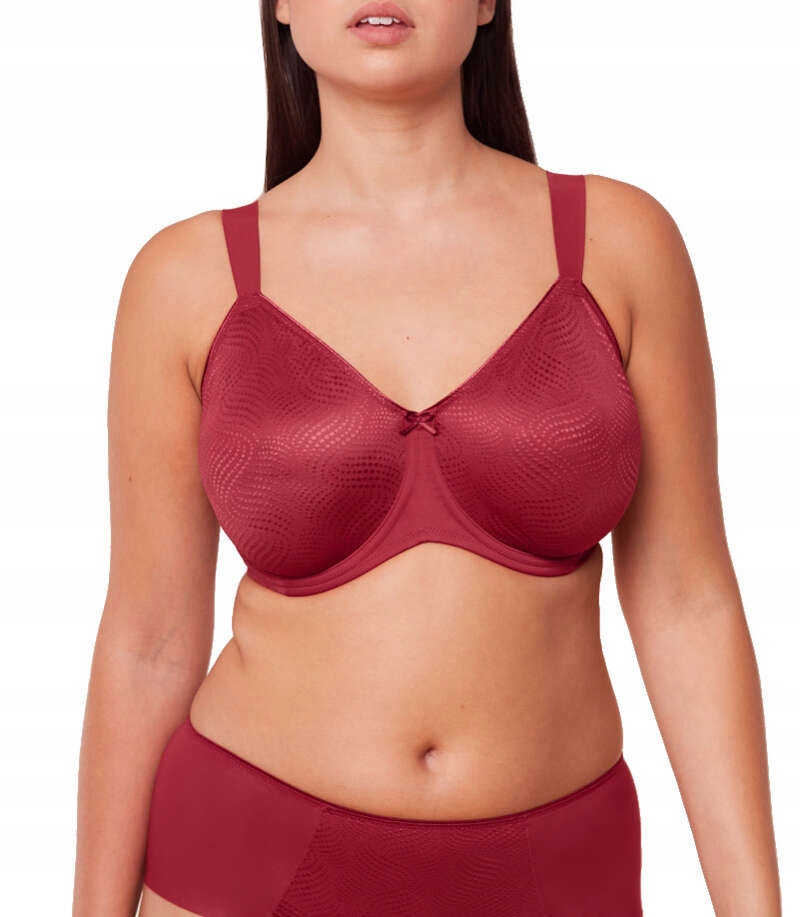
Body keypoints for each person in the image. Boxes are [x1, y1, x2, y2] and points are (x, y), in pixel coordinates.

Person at [73, 2, 783, 916]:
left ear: (486, 2)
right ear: (281, 5)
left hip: (558, 871)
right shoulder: (185, 278)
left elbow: (689, 604)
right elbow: (148, 641)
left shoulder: (622, 244)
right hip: (250, 863)